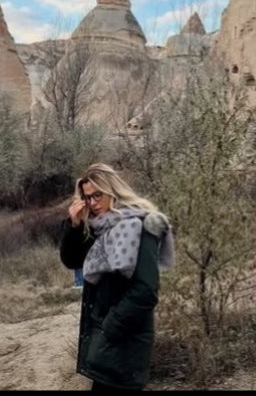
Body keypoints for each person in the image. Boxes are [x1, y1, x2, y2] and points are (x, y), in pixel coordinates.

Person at [59, 163, 175, 391]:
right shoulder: (99, 229)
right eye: (87, 198)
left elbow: (145, 291)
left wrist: (109, 329)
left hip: (125, 338)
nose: (93, 203)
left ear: (112, 190)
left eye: (97, 196)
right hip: (106, 338)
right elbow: (72, 261)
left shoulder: (140, 225)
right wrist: (74, 226)